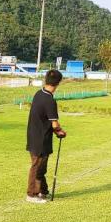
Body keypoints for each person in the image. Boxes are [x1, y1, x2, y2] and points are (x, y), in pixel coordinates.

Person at [26, 69, 67, 203]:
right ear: (58, 83)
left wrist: (56, 131)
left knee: (41, 167)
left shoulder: (38, 94)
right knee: (37, 167)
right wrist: (60, 131)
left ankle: (42, 191)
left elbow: (45, 119)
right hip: (41, 139)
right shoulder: (49, 100)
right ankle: (31, 194)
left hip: (33, 136)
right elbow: (54, 124)